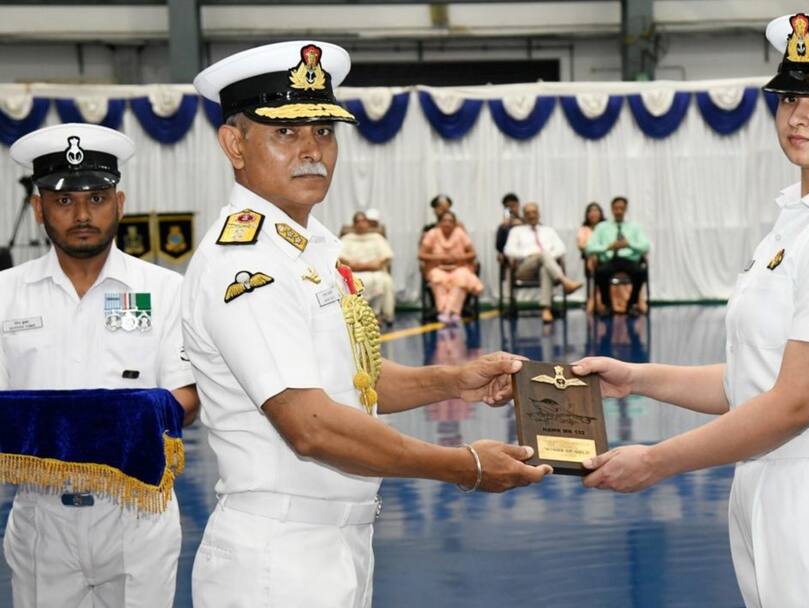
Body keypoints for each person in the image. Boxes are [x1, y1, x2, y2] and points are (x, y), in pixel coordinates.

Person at [187, 41, 550, 608]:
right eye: (286, 133)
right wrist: (464, 465)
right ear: (234, 143)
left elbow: (353, 383)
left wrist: (456, 380)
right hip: (278, 557)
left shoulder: (312, 247)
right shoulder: (248, 262)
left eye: (324, 131)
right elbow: (312, 426)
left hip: (340, 541)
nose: (311, 150)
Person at [574, 14, 809, 608]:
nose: (798, 115)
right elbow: (756, 381)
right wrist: (637, 380)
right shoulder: (798, 225)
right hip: (767, 487)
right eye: (788, 98)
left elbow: (796, 403)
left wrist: (655, 462)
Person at [1, 123, 199, 607]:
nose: (83, 214)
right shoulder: (5, 294)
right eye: (65, 201)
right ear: (38, 208)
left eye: (97, 197)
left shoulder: (166, 291)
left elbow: (188, 396)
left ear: (120, 204)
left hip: (137, 515)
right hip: (42, 519)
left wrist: (106, 426)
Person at [502, 202, 583, 323]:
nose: (531, 215)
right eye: (528, 213)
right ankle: (565, 281)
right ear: (524, 215)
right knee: (543, 255)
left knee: (545, 267)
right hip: (524, 269)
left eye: (534, 212)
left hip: (547, 267)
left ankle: (546, 310)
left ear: (539, 214)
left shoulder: (548, 230)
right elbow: (508, 250)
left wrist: (545, 256)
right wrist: (529, 254)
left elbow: (561, 248)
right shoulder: (516, 231)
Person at [585, 196, 650, 317]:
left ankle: (631, 305)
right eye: (616, 208)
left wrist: (629, 244)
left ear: (625, 209)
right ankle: (608, 306)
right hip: (610, 259)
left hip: (628, 259)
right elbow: (589, 248)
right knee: (601, 272)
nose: (619, 211)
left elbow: (646, 246)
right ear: (612, 209)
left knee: (640, 272)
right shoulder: (602, 227)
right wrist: (608, 247)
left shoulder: (634, 227)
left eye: (622, 208)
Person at [420, 210, 484, 324]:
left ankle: (449, 312)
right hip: (438, 268)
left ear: (454, 223)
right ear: (439, 223)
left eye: (450, 221)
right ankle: (446, 312)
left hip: (458, 267)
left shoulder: (460, 233)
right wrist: (439, 257)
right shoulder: (432, 233)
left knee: (461, 278)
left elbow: (473, 254)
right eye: (444, 220)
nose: (447, 223)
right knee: (437, 278)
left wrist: (457, 258)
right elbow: (421, 255)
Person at [340, 210, 395, 325]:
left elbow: (386, 256)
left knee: (385, 281)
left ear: (368, 223)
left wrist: (370, 265)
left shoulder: (377, 238)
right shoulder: (346, 239)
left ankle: (378, 313)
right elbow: (341, 258)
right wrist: (355, 265)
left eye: (363, 221)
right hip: (353, 273)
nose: (361, 224)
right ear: (354, 224)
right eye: (357, 222)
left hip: (375, 271)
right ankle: (356, 315)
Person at [577, 202, 605, 313]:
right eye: (591, 211)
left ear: (601, 213)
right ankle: (598, 301)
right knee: (594, 259)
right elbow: (582, 245)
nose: (593, 213)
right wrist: (597, 249)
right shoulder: (583, 229)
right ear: (587, 215)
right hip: (592, 259)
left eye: (596, 211)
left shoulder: (607, 227)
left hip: (608, 257)